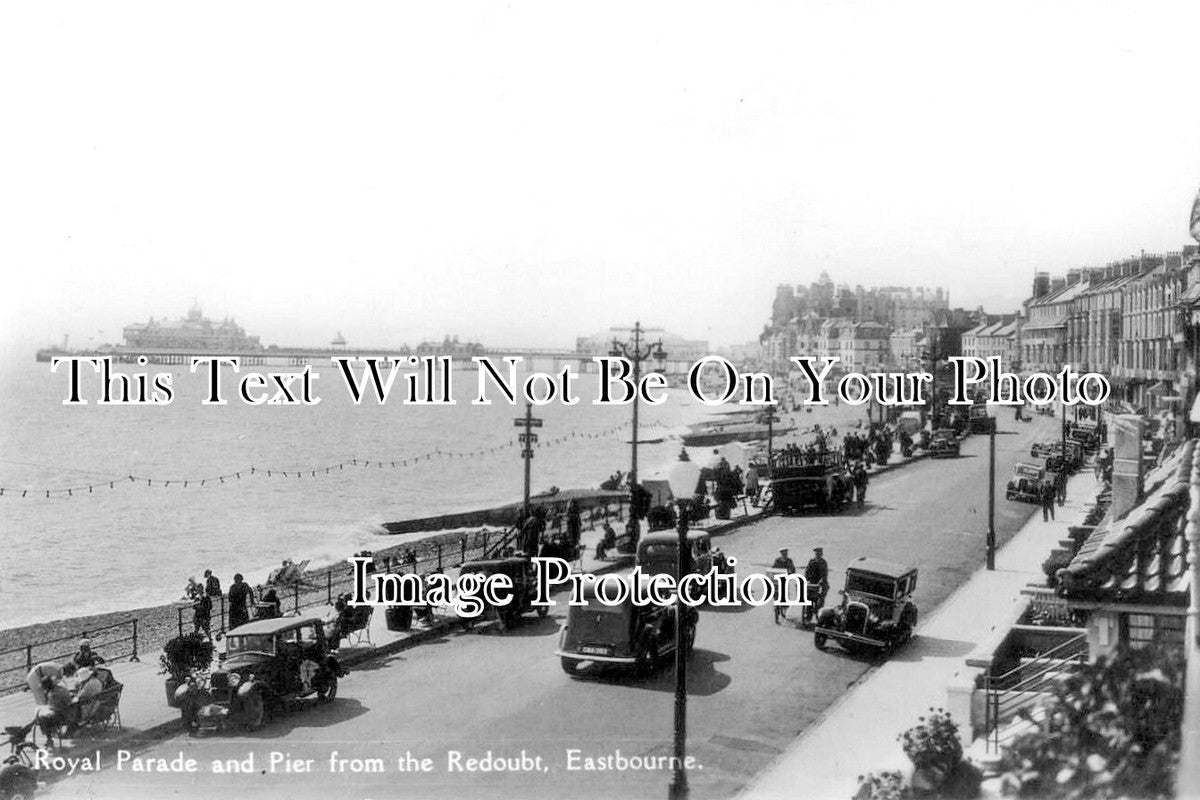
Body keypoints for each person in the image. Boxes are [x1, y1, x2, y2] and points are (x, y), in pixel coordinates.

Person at [36, 676, 75, 744]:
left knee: (42, 718)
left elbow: (53, 707)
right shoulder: (61, 688)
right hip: (69, 711)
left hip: (63, 716)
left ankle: (49, 739)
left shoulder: (54, 694)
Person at [803, 548, 830, 627]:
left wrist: (821, 581)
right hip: (811, 583)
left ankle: (819, 617)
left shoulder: (824, 563)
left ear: (821, 554)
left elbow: (825, 574)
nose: (818, 555)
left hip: (821, 583)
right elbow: (807, 572)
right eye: (816, 553)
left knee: (821, 599)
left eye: (819, 553)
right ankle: (808, 617)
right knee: (809, 600)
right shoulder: (811, 561)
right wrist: (807, 580)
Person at [771, 548, 796, 624]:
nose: (784, 555)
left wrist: (791, 573)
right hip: (777, 581)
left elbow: (793, 570)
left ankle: (784, 607)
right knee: (775, 594)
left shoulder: (789, 561)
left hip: (785, 580)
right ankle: (777, 608)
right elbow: (773, 569)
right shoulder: (777, 560)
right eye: (783, 554)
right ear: (781, 554)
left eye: (785, 554)